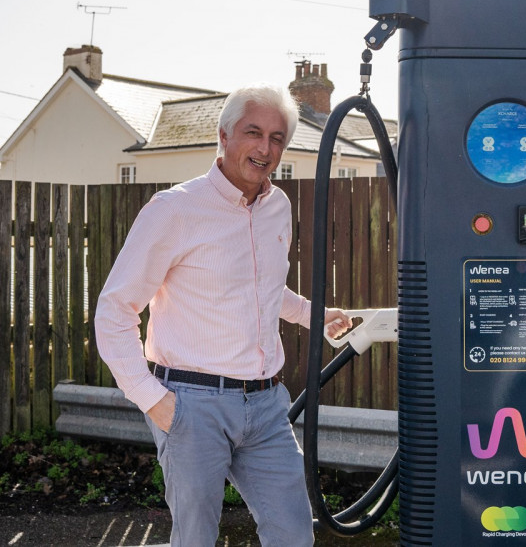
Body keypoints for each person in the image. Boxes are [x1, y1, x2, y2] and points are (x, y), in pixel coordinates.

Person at [95, 83, 352, 546]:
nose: (265, 147)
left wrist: (317, 314)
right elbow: (114, 309)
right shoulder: (174, 209)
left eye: (277, 138)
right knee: (195, 539)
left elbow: (264, 290)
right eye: (253, 132)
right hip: (193, 405)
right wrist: (151, 399)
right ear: (224, 135)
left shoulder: (278, 207)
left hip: (267, 405)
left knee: (294, 534)